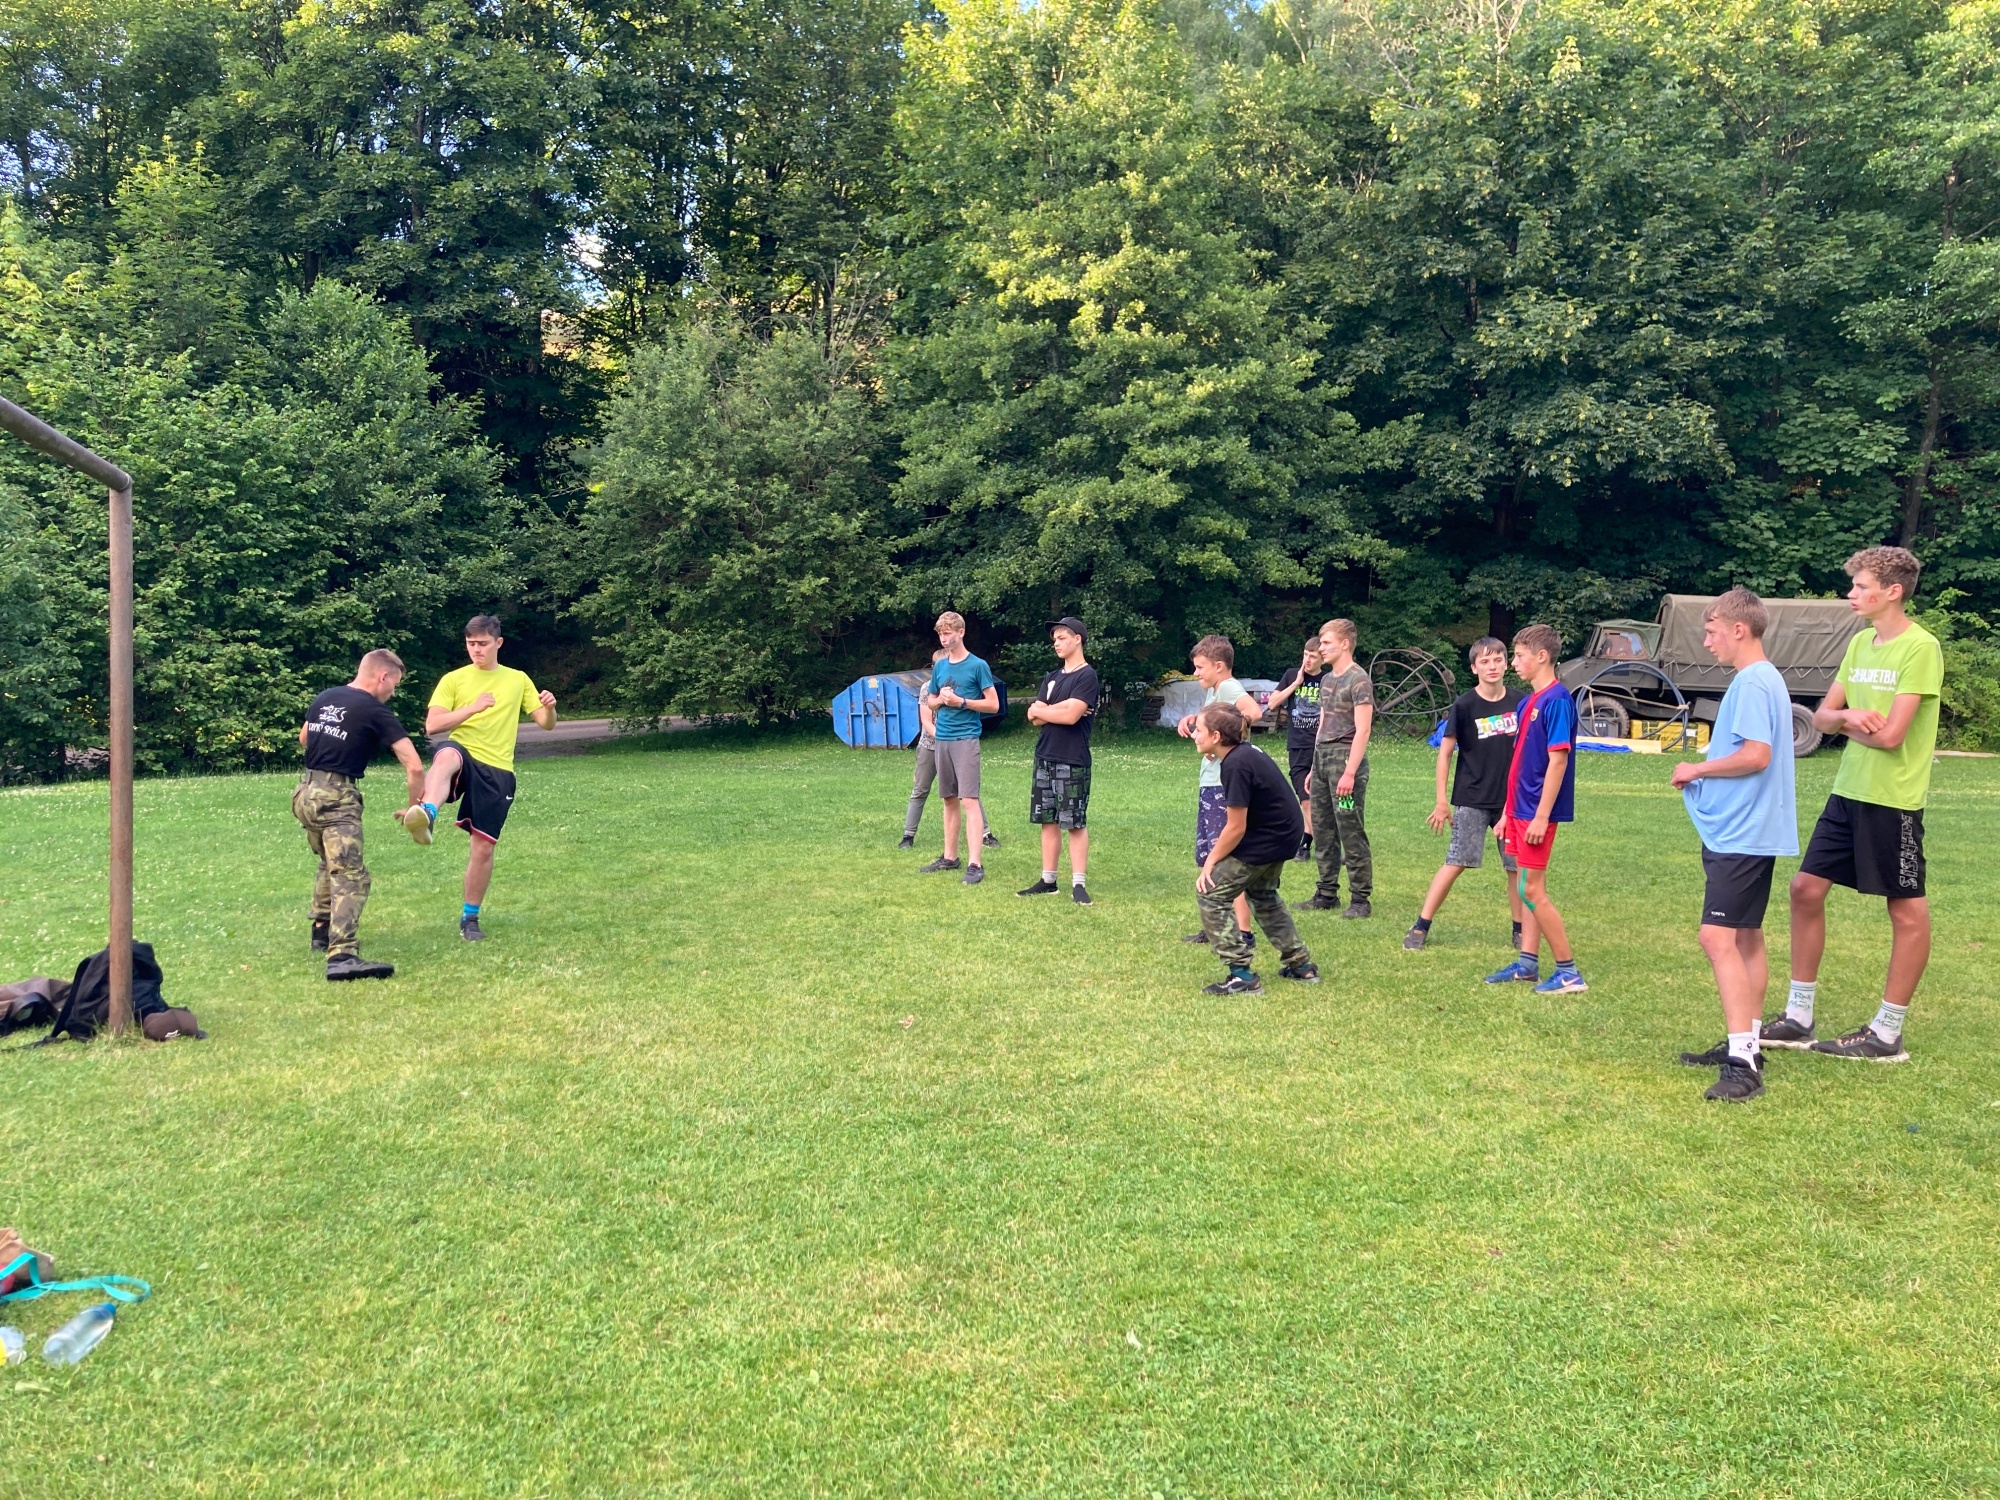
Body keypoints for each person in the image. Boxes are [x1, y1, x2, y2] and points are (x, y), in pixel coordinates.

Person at [1779, 546, 1943, 1063]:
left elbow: (1893, 737)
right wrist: (1850, 718)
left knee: (1906, 910)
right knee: (1805, 889)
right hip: (1848, 791)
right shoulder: (1860, 643)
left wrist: (1845, 721)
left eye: (1860, 586)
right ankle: (1798, 1016)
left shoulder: (1921, 648)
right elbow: (1822, 718)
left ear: (1892, 592)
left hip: (1893, 800)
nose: (1851, 594)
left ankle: (1887, 1033)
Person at [1669, 590, 1798, 1101]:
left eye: (1712, 631)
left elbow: (1756, 755)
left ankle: (1742, 1064)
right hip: (1752, 831)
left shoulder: (1751, 682)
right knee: (1746, 936)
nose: (1708, 642)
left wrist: (1697, 768)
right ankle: (1746, 1041)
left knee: (1716, 938)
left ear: (1739, 629)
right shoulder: (1768, 678)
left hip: (1741, 832)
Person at [398, 615, 557, 941]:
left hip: (498, 769)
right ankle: (427, 813)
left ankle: (469, 918)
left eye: (482, 644)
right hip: (463, 752)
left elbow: (546, 723)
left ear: (498, 643)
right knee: (447, 754)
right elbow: (433, 726)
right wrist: (473, 708)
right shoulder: (454, 679)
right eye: (471, 644)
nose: (476, 650)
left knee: (483, 848)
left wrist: (550, 707)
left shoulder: (517, 679)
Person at [295, 650, 425, 981]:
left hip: (306, 793)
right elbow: (414, 765)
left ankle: (321, 930)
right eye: (394, 685)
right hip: (337, 797)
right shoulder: (375, 710)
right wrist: (415, 807)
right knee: (350, 875)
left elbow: (304, 737)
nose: (392, 692)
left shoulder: (326, 697)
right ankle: (343, 956)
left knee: (329, 862)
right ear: (383, 677)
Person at [1405, 637, 1526, 952]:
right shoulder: (1464, 705)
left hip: (1511, 802)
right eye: (1484, 662)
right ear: (1474, 668)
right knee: (1457, 861)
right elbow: (1445, 753)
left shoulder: (1520, 702)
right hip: (1472, 798)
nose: (1492, 666)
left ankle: (1520, 929)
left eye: (1497, 660)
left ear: (1506, 664)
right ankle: (1420, 926)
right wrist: (1441, 801)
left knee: (1515, 866)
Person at [1484, 624, 1585, 992]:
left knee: (1532, 889)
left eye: (1519, 656)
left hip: (1537, 813)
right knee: (1527, 889)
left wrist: (1541, 815)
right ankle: (1527, 964)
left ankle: (1568, 972)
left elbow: (1558, 761)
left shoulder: (1557, 701)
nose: (1513, 663)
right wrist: (1507, 812)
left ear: (1542, 657)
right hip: (1520, 811)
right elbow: (1519, 763)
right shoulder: (1528, 703)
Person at [1192, 703, 1318, 995]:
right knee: (1263, 895)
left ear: (1216, 736)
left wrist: (1211, 861)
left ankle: (1242, 976)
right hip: (1286, 835)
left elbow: (1236, 827)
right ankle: (1301, 965)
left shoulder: (1235, 765)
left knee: (1210, 894)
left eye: (1199, 730)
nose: (1194, 735)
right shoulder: (1243, 753)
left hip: (1268, 838)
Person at [1178, 635, 1263, 945]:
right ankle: (1216, 923)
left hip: (1221, 785)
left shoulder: (1227, 687)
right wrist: (1196, 719)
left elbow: (1253, 712)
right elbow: (1220, 719)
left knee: (1223, 858)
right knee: (1210, 858)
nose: (1196, 673)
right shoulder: (1216, 691)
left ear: (1218, 666)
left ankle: (1243, 932)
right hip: (1212, 782)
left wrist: (1225, 739)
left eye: (1200, 667)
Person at [1295, 619, 1374, 917]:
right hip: (1323, 761)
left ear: (1345, 643)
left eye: (1326, 642)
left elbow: (1363, 730)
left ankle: (1360, 899)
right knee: (1323, 827)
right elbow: (1323, 723)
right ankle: (1326, 892)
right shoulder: (1327, 680)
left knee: (1349, 826)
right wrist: (1314, 767)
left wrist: (1349, 773)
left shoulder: (1359, 679)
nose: (1321, 648)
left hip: (1345, 760)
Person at [1018, 616, 1100, 904]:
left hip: (1072, 758)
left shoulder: (1087, 676)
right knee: (1048, 820)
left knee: (1074, 822)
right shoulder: (1052, 677)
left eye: (1062, 638)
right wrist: (1057, 709)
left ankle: (1078, 884)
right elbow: (1033, 717)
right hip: (1045, 756)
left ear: (1078, 639)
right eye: (1054, 639)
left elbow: (1071, 716)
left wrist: (1048, 710)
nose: (1056, 643)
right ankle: (1048, 880)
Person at [918, 612, 999, 885]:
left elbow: (993, 705)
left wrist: (962, 702)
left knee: (969, 800)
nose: (944, 638)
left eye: (948, 633)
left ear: (961, 632)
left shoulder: (978, 666)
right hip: (942, 739)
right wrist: (940, 700)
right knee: (949, 799)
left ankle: (975, 864)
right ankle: (950, 857)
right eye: (941, 634)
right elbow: (930, 702)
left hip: (966, 739)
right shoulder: (940, 667)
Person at [1266, 636, 1328, 862]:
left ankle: (1306, 845)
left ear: (1323, 658)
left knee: (1323, 799)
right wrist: (1296, 684)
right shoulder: (1292, 675)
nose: (1307, 660)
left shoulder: (1328, 679)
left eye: (1313, 656)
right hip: (1299, 746)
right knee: (1305, 797)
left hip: (1322, 746)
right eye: (1305, 655)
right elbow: (1272, 703)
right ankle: (1326, 846)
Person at [899, 649, 949, 850]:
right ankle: (908, 836)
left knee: (967, 793)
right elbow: (927, 721)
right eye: (937, 666)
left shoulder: (960, 687)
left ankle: (985, 834)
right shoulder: (927, 688)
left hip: (955, 747)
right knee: (920, 790)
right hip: (929, 746)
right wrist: (942, 739)